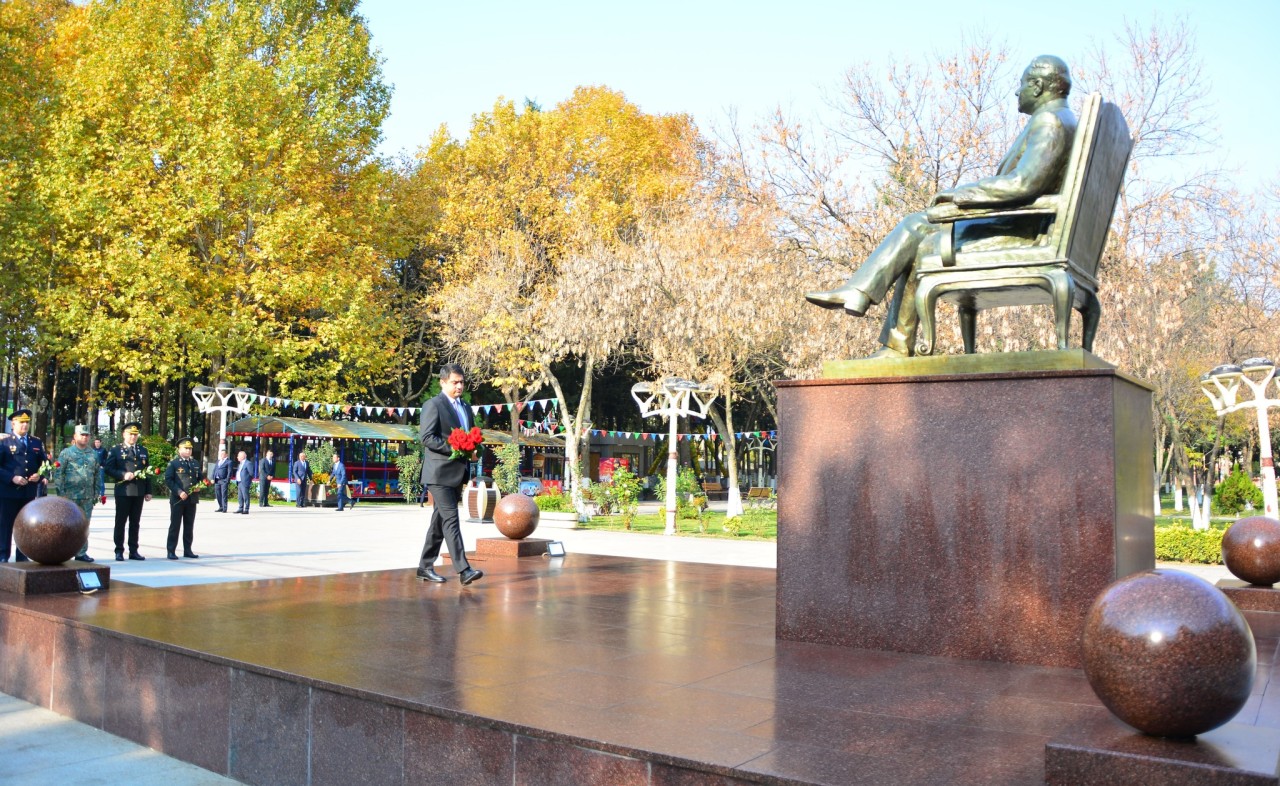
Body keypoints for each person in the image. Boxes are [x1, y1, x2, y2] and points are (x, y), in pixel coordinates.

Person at [805, 55, 1078, 358]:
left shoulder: (1050, 121)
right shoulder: (1064, 119)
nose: (1016, 93)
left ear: (1038, 86)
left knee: (923, 244)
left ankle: (888, 333)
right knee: (916, 224)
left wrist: (961, 195)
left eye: (1021, 85)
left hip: (1024, 232)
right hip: (1026, 225)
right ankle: (862, 299)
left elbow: (1024, 183)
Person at [416, 363, 483, 586]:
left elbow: (470, 436)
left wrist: (472, 451)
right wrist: (455, 449)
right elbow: (427, 438)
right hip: (438, 473)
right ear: (443, 382)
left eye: (462, 382)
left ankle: (424, 566)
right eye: (455, 382)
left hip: (457, 472)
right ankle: (464, 570)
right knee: (451, 520)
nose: (459, 386)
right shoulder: (433, 405)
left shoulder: (465, 407)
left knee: (439, 522)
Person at [0, 409, 49, 562]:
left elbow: (45, 463)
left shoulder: (36, 442)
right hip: (8, 492)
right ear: (13, 424)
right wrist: (11, 478)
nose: (25, 425)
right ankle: (3, 555)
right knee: (5, 526)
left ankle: (22, 555)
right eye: (22, 422)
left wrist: (40, 475)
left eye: (27, 422)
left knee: (25, 526)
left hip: (28, 492)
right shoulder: (4, 442)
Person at [103, 422, 152, 560]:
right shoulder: (116, 450)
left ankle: (133, 550)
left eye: (135, 434)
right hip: (123, 491)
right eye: (131, 434)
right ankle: (119, 550)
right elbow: (108, 468)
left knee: (135, 522)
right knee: (121, 521)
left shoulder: (143, 450)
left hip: (139, 491)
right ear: (124, 434)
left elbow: (147, 471)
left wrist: (148, 491)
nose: (133, 437)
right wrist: (123, 475)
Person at [55, 424, 100, 562]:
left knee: (84, 525)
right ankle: (63, 551)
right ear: (75, 436)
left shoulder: (93, 454)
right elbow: (59, 473)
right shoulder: (66, 453)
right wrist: (60, 493)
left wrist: (96, 491)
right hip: (70, 496)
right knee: (67, 525)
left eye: (87, 435)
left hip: (87, 496)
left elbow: (97, 474)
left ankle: (81, 553)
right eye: (82, 435)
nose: (85, 437)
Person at [163, 437, 202, 560]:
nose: (189, 450)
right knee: (175, 525)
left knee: (189, 525)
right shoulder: (174, 463)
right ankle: (171, 550)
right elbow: (168, 480)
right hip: (178, 499)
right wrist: (179, 491)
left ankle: (188, 549)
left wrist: (199, 486)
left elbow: (200, 478)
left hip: (192, 499)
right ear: (179, 449)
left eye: (190, 448)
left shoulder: (194, 463)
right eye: (186, 448)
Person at [211, 447, 232, 513]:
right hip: (217, 480)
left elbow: (229, 472)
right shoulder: (218, 461)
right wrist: (212, 478)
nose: (221, 455)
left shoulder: (229, 462)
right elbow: (214, 470)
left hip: (223, 480)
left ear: (226, 455)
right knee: (218, 494)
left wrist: (227, 480)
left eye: (223, 454)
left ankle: (224, 508)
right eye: (221, 454)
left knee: (224, 494)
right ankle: (220, 506)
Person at [93, 436, 106, 502]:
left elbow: (105, 459)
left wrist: (102, 465)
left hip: (100, 468)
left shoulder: (103, 450)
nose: (97, 443)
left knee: (101, 481)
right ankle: (95, 494)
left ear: (100, 443)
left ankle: (102, 494)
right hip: (93, 468)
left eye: (98, 442)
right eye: (96, 442)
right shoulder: (92, 450)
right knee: (93, 481)